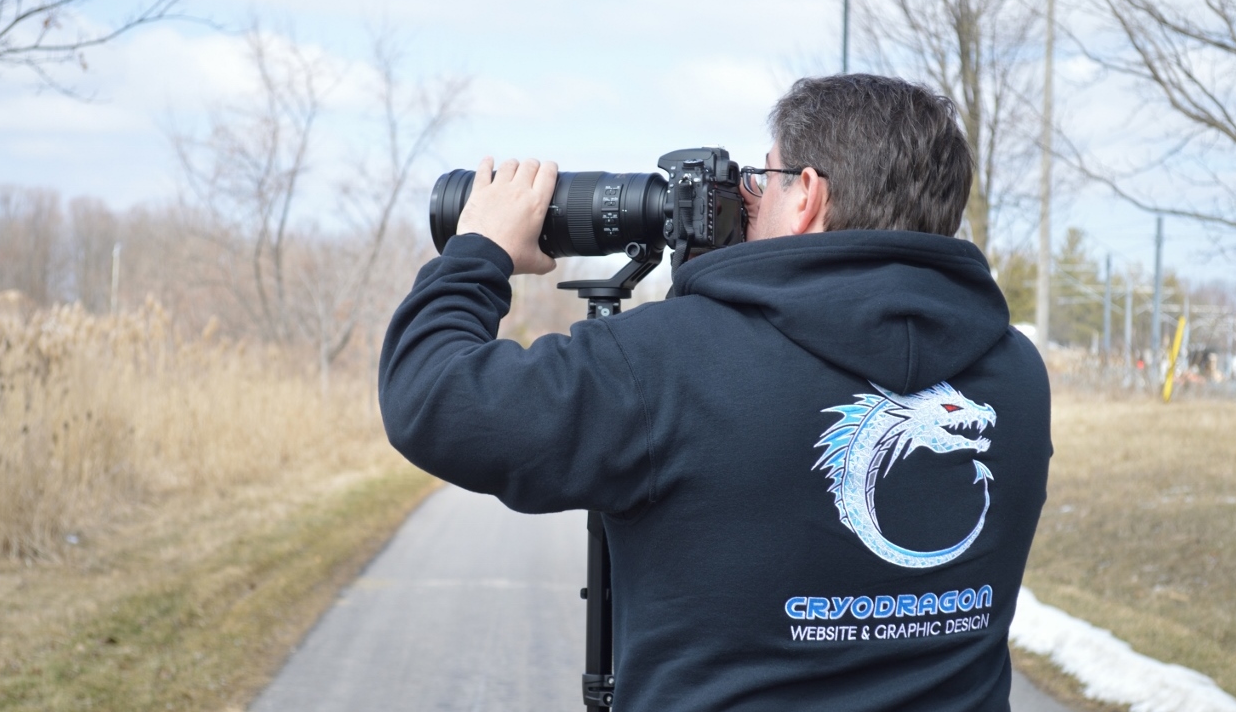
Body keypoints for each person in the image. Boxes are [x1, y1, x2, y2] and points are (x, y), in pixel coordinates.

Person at [379, 74, 1050, 712]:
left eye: (764, 177)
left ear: (807, 194)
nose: (748, 200)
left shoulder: (669, 363)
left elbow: (435, 396)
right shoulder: (1016, 372)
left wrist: (479, 250)